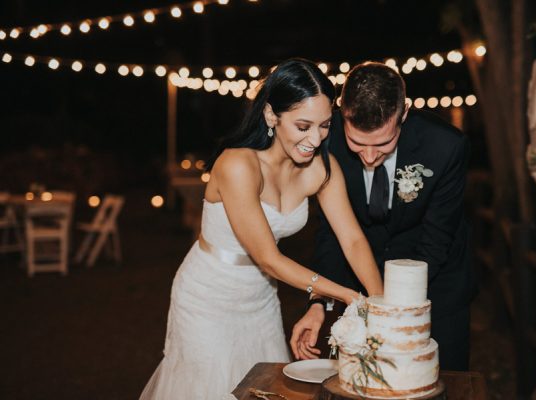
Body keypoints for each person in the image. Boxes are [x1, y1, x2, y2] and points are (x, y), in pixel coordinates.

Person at [140, 59, 383, 400]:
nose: (315, 139)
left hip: (261, 299)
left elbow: (353, 239)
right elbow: (268, 258)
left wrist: (381, 303)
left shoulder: (322, 169)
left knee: (263, 391)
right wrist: (347, 296)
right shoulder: (237, 164)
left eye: (325, 125)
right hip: (206, 300)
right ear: (271, 116)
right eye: (303, 126)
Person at [290, 62, 474, 371]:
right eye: (358, 143)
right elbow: (332, 234)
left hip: (438, 289)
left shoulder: (445, 148)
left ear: (403, 114)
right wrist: (320, 302)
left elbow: (437, 239)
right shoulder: (326, 141)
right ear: (342, 114)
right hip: (359, 286)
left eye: (384, 143)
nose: (371, 156)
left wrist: (391, 312)